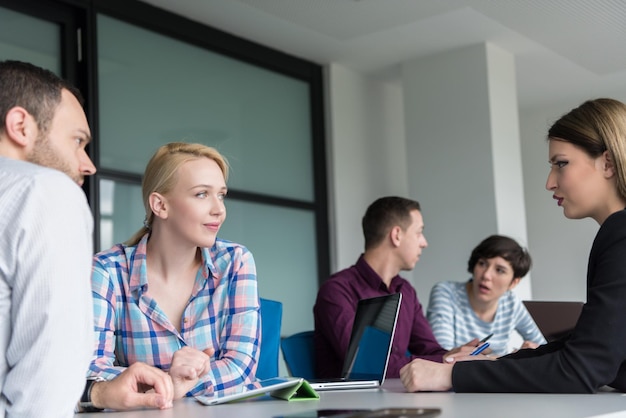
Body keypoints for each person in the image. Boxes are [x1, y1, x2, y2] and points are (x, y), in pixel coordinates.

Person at [400, 98, 626, 393]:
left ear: (607, 163)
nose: (549, 182)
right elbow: (579, 350)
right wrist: (482, 366)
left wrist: (449, 377)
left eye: (561, 164)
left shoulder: (620, 233)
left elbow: (581, 368)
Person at [0, 60, 172, 417]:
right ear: (20, 126)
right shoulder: (43, 190)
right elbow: (48, 379)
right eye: (77, 141)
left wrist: (97, 394)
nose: (89, 164)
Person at [87, 142, 260, 400]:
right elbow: (92, 372)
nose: (219, 209)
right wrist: (172, 384)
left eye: (221, 195)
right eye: (202, 194)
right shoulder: (107, 271)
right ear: (160, 205)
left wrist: (166, 386)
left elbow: (240, 369)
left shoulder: (235, 262)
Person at [314, 196, 478, 379]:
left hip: (398, 397)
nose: (424, 242)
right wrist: (444, 361)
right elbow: (368, 364)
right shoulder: (337, 290)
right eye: (419, 232)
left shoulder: (405, 290)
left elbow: (430, 349)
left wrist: (455, 355)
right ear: (397, 235)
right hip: (351, 404)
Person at [427, 235, 546, 356]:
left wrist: (531, 352)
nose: (486, 275)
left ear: (514, 282)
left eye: (500, 270)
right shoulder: (446, 293)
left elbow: (544, 348)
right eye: (482, 263)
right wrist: (506, 360)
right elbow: (442, 357)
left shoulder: (511, 303)